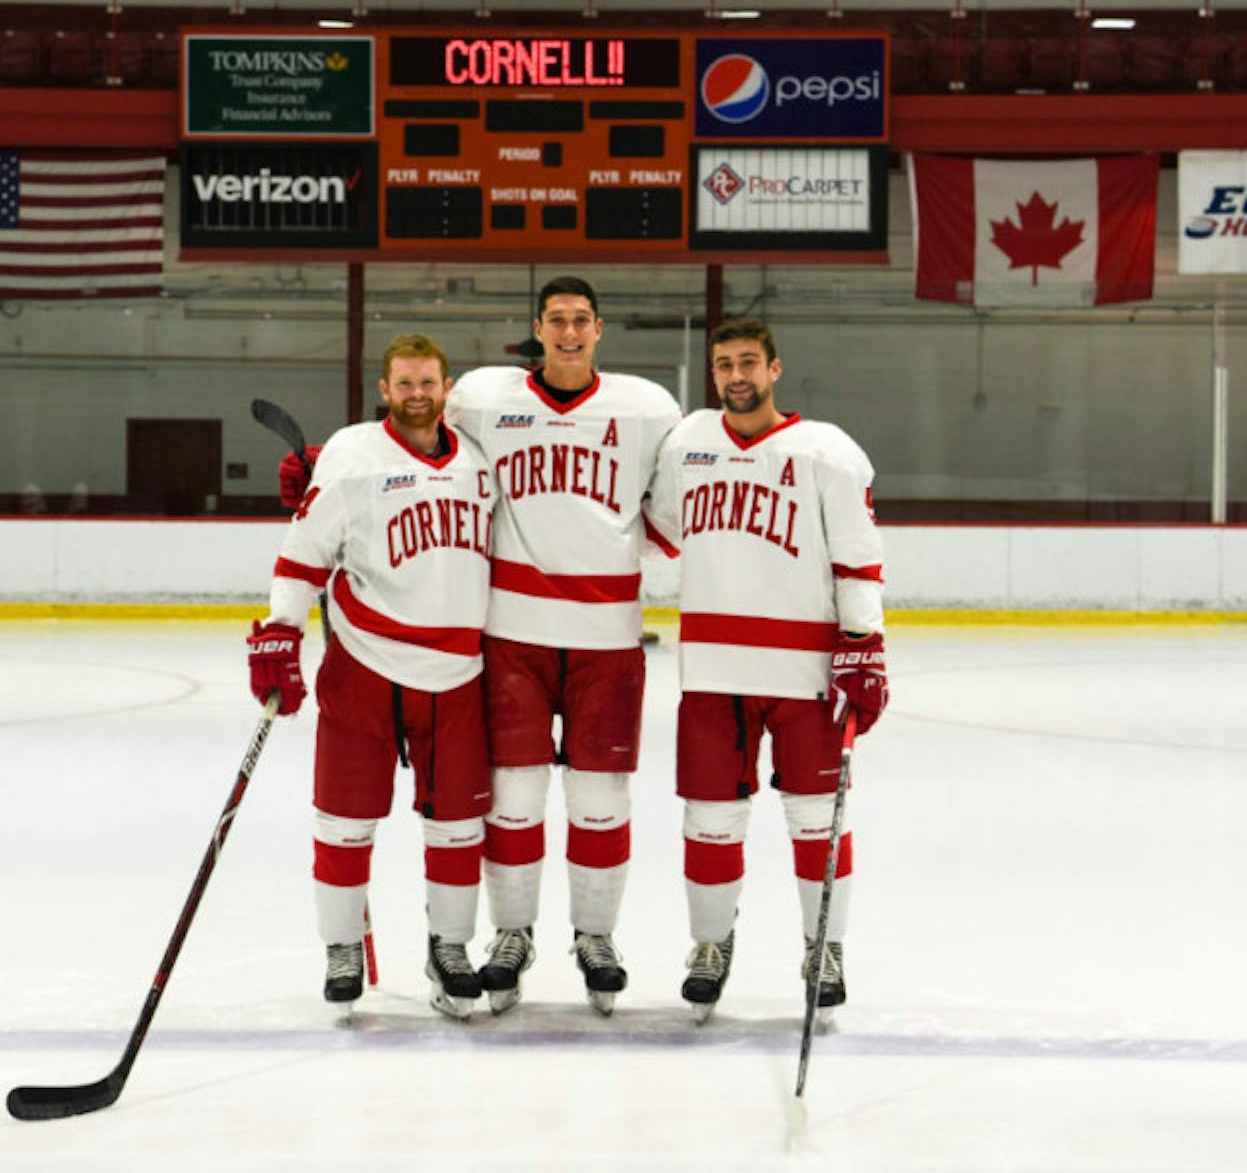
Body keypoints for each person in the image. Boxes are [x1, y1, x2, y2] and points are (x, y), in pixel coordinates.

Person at [444, 277, 682, 1015]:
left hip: (607, 639)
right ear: (537, 329)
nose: (570, 333)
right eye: (557, 321)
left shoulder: (646, 410)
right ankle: (511, 935)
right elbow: (421, 445)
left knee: (600, 796)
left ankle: (595, 937)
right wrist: (329, 467)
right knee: (512, 796)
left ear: (600, 329)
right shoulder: (486, 399)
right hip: (513, 634)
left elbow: (677, 510)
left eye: (582, 321)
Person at [644, 317, 888, 1023]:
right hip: (714, 671)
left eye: (749, 362)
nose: (736, 376)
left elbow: (857, 557)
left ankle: (824, 948)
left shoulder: (826, 452)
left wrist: (863, 643)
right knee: (710, 818)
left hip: (805, 673)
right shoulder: (688, 443)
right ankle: (710, 946)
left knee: (816, 818)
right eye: (724, 364)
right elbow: (651, 532)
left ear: (775, 369)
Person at [248, 334, 496, 1020]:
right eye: (405, 384)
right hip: (367, 667)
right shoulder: (354, 457)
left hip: (459, 671)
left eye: (429, 383)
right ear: (385, 390)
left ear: (446, 389)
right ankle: (341, 947)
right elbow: (303, 555)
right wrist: (281, 630)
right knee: (344, 818)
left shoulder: (481, 460)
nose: (418, 395)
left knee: (457, 825)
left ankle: (449, 948)